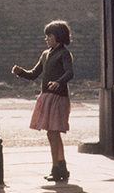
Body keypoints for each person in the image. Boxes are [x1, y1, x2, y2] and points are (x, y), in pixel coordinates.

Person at [12, 20, 73, 182]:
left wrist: (58, 82)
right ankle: (61, 167)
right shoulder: (45, 54)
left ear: (58, 37)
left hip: (58, 97)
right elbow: (33, 74)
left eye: (49, 36)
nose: (47, 39)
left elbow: (69, 73)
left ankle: (56, 168)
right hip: (46, 96)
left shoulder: (64, 54)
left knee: (53, 133)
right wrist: (21, 72)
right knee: (53, 133)